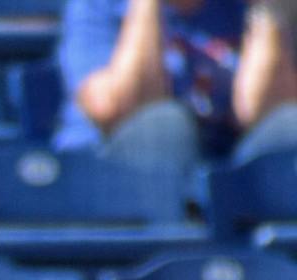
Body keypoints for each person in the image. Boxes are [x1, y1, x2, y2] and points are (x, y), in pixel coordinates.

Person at [55, 0, 297, 169]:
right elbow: (114, 108)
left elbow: (271, 115)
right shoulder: (98, 5)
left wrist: (269, 10)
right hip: (114, 173)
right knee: (162, 126)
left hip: (227, 171)